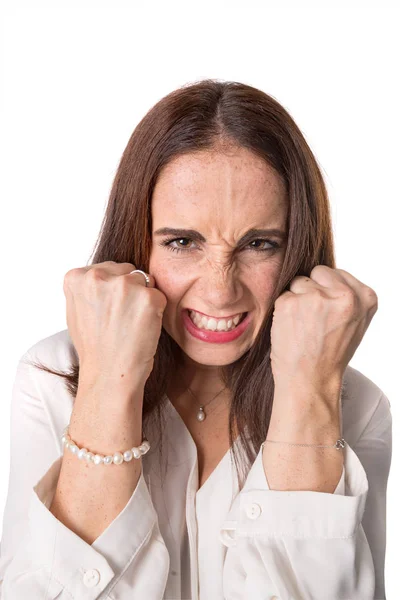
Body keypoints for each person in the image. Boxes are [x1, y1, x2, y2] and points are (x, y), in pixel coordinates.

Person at [0, 79, 392, 600]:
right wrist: (107, 385)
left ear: (297, 248)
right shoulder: (54, 379)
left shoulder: (354, 405)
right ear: (137, 241)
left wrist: (309, 391)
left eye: (259, 244)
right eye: (182, 242)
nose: (219, 289)